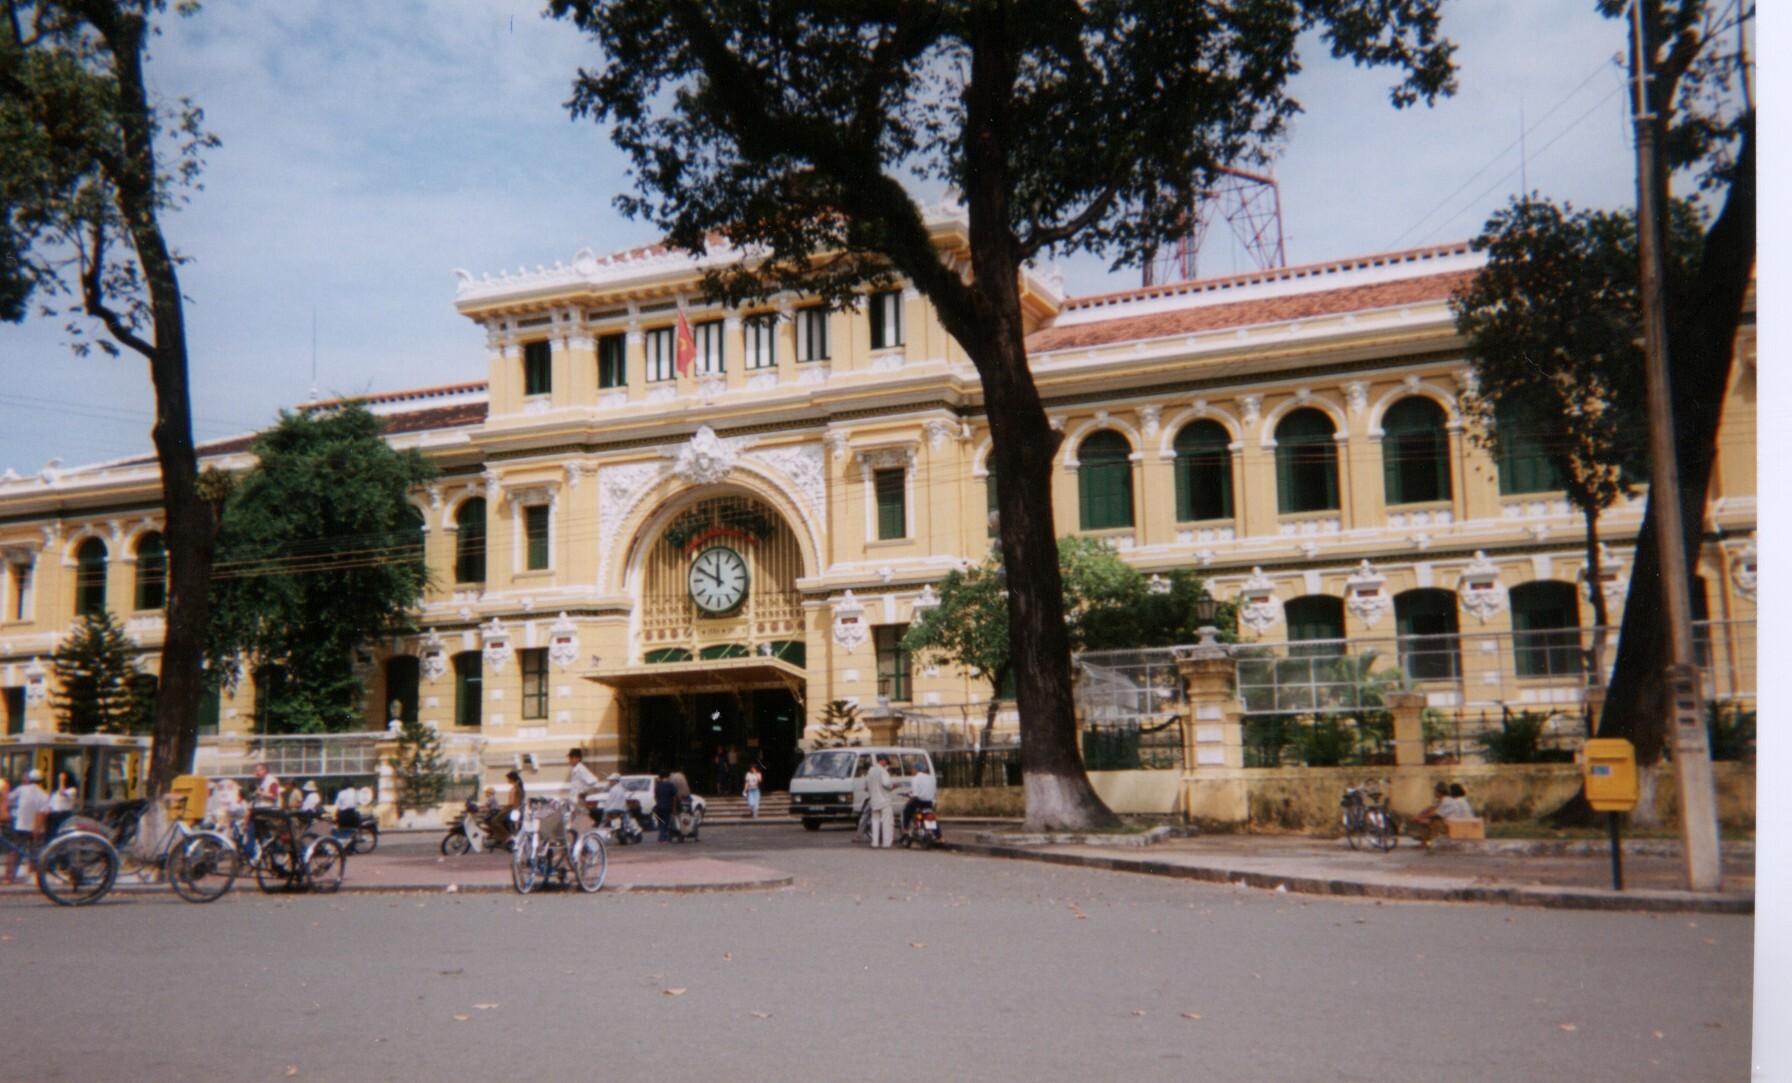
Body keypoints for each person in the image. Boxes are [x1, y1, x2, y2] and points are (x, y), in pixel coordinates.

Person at [4, 769, 52, 884]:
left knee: (16, 851)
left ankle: (9, 877)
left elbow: (9, 798)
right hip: (36, 828)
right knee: (35, 853)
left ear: (29, 779)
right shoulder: (44, 794)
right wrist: (37, 828)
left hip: (21, 826)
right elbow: (43, 813)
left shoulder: (21, 790)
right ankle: (35, 877)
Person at [566, 748, 601, 833]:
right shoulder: (574, 769)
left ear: (578, 758)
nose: (570, 760)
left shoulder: (581, 769)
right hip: (574, 800)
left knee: (580, 822)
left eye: (571, 757)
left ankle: (588, 836)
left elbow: (593, 780)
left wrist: (583, 791)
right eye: (569, 758)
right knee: (575, 822)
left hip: (578, 799)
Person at [865, 754, 896, 849]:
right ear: (882, 760)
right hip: (884, 800)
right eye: (886, 762)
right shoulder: (883, 771)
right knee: (887, 822)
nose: (886, 764)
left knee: (875, 822)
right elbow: (886, 783)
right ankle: (886, 843)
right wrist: (893, 786)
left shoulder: (870, 771)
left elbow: (866, 786)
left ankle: (875, 842)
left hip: (874, 799)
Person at [1409, 781, 1451, 846]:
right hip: (1441, 822)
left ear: (1440, 792)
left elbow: (1435, 815)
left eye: (1435, 791)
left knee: (1426, 821)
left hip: (1446, 824)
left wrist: (1420, 817)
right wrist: (1418, 815)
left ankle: (1424, 842)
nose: (1434, 792)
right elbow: (1429, 808)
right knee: (1424, 821)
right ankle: (1424, 842)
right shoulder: (1440, 801)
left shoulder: (1445, 801)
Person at [902, 760, 937, 836]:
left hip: (920, 802)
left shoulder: (915, 779)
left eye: (912, 768)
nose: (911, 770)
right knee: (932, 818)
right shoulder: (931, 778)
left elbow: (915, 795)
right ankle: (938, 836)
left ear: (916, 769)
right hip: (929, 802)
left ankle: (905, 830)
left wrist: (910, 801)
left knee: (906, 811)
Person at [652, 770, 679, 842]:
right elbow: (675, 796)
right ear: (668, 776)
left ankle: (662, 836)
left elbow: (655, 796)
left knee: (661, 822)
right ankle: (662, 837)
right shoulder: (670, 785)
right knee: (665, 822)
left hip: (658, 806)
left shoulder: (658, 785)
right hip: (667, 806)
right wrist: (674, 807)